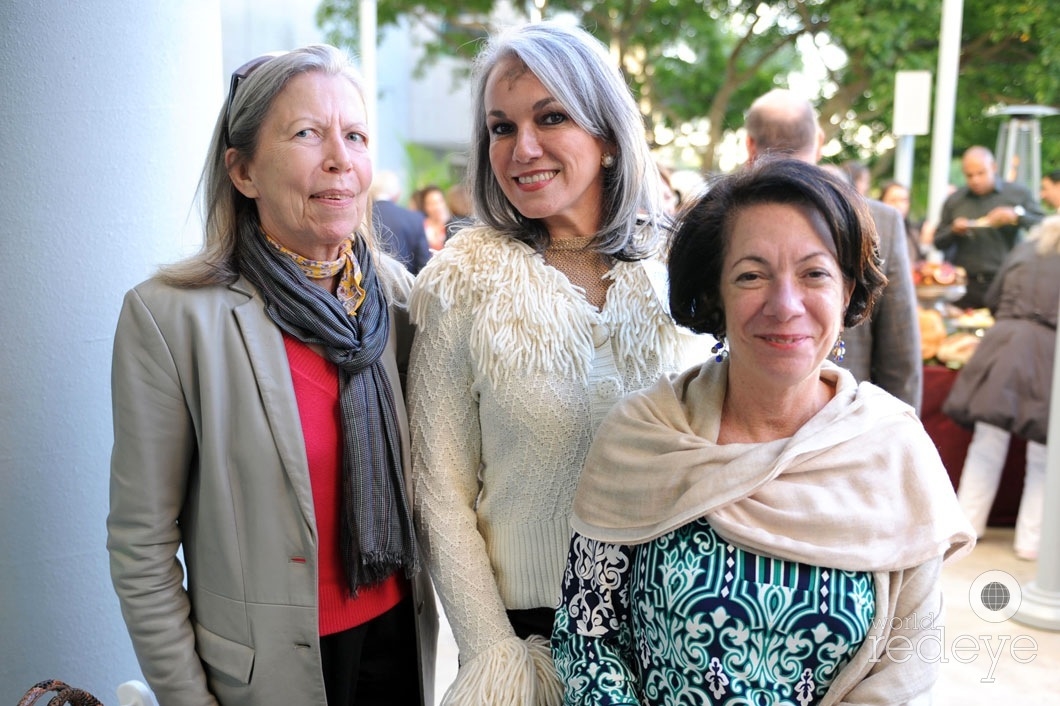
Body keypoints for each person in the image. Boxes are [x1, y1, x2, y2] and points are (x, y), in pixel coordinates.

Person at [552, 158, 975, 705]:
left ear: (847, 290)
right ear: (715, 294)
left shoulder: (893, 448)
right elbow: (588, 637)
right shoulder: (644, 435)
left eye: (814, 273)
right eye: (751, 275)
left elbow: (909, 662)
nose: (785, 305)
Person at [106, 45, 437, 706]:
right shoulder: (172, 318)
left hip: (397, 646)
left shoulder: (400, 301)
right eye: (307, 134)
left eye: (355, 136)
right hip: (263, 678)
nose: (340, 159)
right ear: (243, 170)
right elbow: (141, 546)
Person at [406, 20, 705, 705]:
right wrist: (494, 655)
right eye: (501, 128)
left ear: (605, 136)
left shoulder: (681, 268)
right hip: (529, 648)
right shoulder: (464, 282)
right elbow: (439, 490)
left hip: (678, 644)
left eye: (551, 117)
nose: (523, 148)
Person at [744, 88, 923, 412]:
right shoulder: (879, 221)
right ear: (821, 141)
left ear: (749, 145)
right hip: (852, 422)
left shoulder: (720, 217)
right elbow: (901, 356)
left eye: (815, 274)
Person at [943, 214, 1060, 561]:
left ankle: (966, 528)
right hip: (1048, 352)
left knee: (986, 443)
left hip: (1003, 345)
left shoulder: (1023, 250)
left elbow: (993, 298)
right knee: (1043, 452)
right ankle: (1030, 541)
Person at [932, 145, 1044, 309]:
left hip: (1006, 282)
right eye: (969, 175)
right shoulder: (955, 200)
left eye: (981, 173)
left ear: (993, 167)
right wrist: (953, 230)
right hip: (966, 285)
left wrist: (1017, 216)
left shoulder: (1017, 193)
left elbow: (1043, 225)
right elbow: (938, 242)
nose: (975, 180)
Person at [370, 169, 431, 274]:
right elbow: (423, 264)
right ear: (397, 194)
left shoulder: (361, 218)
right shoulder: (414, 219)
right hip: (405, 286)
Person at [879, 179, 926, 263]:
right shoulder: (874, 235)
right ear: (881, 202)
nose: (899, 205)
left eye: (904, 200)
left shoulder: (912, 234)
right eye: (893, 200)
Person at [414, 183, 451, 253]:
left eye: (440, 201)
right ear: (424, 206)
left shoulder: (453, 224)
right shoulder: (421, 226)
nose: (437, 207)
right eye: (431, 203)